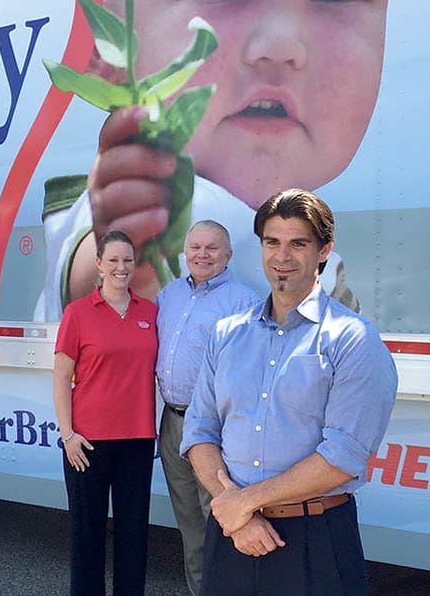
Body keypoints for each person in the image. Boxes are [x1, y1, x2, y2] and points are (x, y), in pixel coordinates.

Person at [42, 0, 396, 318]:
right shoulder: (140, 188)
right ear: (107, 52)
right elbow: (80, 256)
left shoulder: (322, 264)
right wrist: (129, 261)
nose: (282, 45)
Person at [181, 189, 398, 595]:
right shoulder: (227, 335)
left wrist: (242, 503)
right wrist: (238, 511)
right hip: (232, 535)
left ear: (324, 251)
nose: (282, 256)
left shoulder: (352, 339)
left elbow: (344, 455)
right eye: (272, 242)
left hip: (313, 538)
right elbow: (200, 431)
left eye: (298, 243)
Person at [156, 220, 260, 595]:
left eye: (211, 248)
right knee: (189, 522)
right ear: (185, 252)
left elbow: (249, 375)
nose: (202, 254)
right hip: (172, 421)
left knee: (223, 519)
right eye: (195, 247)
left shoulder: (243, 302)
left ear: (228, 255)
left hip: (215, 430)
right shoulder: (169, 295)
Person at [52, 230, 158, 596]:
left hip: (137, 442)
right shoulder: (78, 313)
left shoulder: (151, 312)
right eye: (113, 260)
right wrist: (67, 435)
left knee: (133, 535)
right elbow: (62, 376)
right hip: (87, 443)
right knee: (87, 534)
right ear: (99, 264)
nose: (121, 267)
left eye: (127, 260)